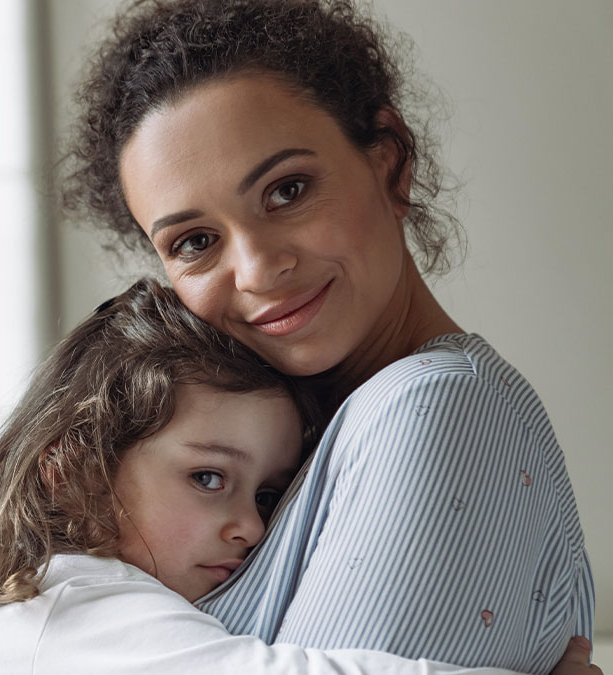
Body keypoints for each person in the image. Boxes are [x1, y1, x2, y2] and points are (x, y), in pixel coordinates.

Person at [61, 1, 594, 673]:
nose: (257, 270)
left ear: (390, 165)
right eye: (195, 241)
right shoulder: (262, 449)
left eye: (287, 190)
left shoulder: (433, 410)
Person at [0, 279, 579, 675]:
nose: (253, 525)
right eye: (209, 477)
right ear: (75, 470)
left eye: (268, 493)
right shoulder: (67, 600)